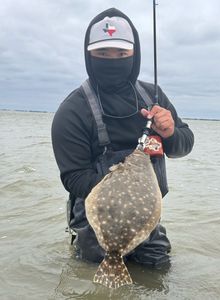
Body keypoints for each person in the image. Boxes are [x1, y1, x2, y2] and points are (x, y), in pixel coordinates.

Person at [51, 8, 194, 267]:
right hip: (96, 221)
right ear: (89, 55)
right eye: (103, 53)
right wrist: (121, 190)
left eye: (121, 53)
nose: (112, 60)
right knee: (97, 287)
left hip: (145, 216)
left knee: (158, 276)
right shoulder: (73, 110)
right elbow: (73, 176)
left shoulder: (153, 97)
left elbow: (184, 145)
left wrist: (170, 133)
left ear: (134, 54)